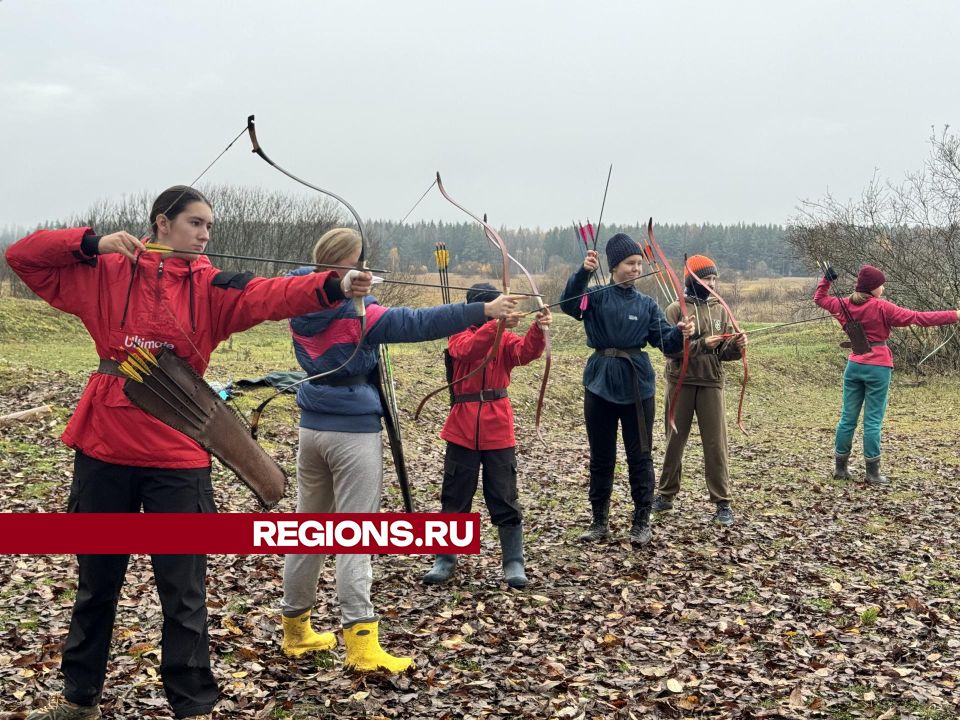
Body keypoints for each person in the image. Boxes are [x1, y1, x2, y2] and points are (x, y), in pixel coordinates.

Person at [5, 186, 373, 720]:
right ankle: (78, 700)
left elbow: (272, 293)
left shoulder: (213, 285)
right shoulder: (104, 272)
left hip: (179, 452)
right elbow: (23, 257)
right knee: (96, 584)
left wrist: (334, 284)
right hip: (105, 444)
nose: (204, 235)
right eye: (196, 223)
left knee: (184, 592)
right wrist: (92, 243)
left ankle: (193, 706)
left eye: (209, 227)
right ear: (162, 223)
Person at [280, 229, 523, 673]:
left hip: (311, 426)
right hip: (351, 431)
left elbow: (311, 288)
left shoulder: (298, 302)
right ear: (343, 269)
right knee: (354, 534)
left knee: (307, 528)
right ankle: (360, 643)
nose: (367, 272)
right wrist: (484, 310)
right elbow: (417, 322)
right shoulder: (358, 312)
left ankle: (296, 630)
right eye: (359, 264)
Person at [559, 234, 694, 546]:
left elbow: (666, 343)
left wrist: (681, 332)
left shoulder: (647, 305)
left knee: (640, 455)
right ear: (614, 267)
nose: (636, 269)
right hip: (599, 382)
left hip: (637, 386)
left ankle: (641, 521)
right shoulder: (593, 297)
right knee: (602, 456)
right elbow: (568, 305)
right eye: (630, 263)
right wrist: (583, 272)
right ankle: (599, 521)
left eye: (638, 264)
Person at [421, 282, 550, 588]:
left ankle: (513, 562)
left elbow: (522, 353)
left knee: (504, 495)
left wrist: (537, 329)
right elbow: (468, 350)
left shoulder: (502, 334)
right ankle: (445, 559)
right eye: (495, 306)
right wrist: (496, 324)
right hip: (463, 426)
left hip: (498, 426)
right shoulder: (460, 331)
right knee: (455, 495)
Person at [816, 264, 959, 484]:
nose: (883, 288)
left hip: (854, 366)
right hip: (878, 367)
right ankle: (872, 474)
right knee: (872, 421)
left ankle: (840, 469)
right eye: (881, 285)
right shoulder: (882, 307)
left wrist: (826, 280)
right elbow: (919, 318)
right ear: (872, 288)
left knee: (847, 418)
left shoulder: (843, 304)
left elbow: (820, 299)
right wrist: (955, 315)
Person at [652, 254, 747, 526]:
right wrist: (702, 344)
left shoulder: (720, 309)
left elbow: (725, 353)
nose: (712, 283)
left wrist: (736, 346)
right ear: (693, 280)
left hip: (711, 383)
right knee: (674, 441)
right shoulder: (674, 309)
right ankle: (666, 495)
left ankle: (722, 502)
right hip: (680, 382)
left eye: (714, 279)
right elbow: (671, 350)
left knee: (716, 444)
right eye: (706, 279)